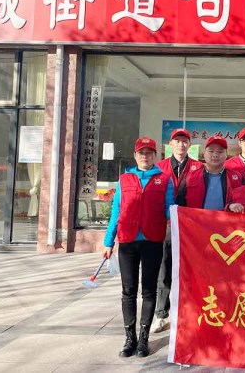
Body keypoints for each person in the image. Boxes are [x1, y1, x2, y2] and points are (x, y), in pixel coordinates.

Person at [103, 137, 174, 358]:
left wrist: (178, 220)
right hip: (127, 241)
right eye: (141, 152)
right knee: (128, 290)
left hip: (152, 241)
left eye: (149, 152)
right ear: (135, 155)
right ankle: (129, 338)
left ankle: (143, 338)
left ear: (155, 156)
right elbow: (116, 211)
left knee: (149, 290)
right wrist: (108, 242)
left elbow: (170, 209)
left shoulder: (164, 179)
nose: (145, 156)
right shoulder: (125, 179)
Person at [152, 129, 202, 334]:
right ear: (170, 144)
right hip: (166, 227)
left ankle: (187, 312)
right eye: (177, 141)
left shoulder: (199, 168)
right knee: (164, 269)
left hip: (191, 229)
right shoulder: (159, 168)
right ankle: (161, 314)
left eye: (184, 141)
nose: (181, 145)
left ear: (190, 145)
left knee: (189, 271)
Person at [186, 136, 244, 210]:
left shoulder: (237, 178)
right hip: (196, 217)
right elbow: (180, 202)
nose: (215, 155)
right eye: (211, 151)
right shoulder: (190, 176)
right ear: (204, 154)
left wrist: (231, 206)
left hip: (225, 217)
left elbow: (242, 201)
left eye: (220, 152)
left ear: (226, 155)